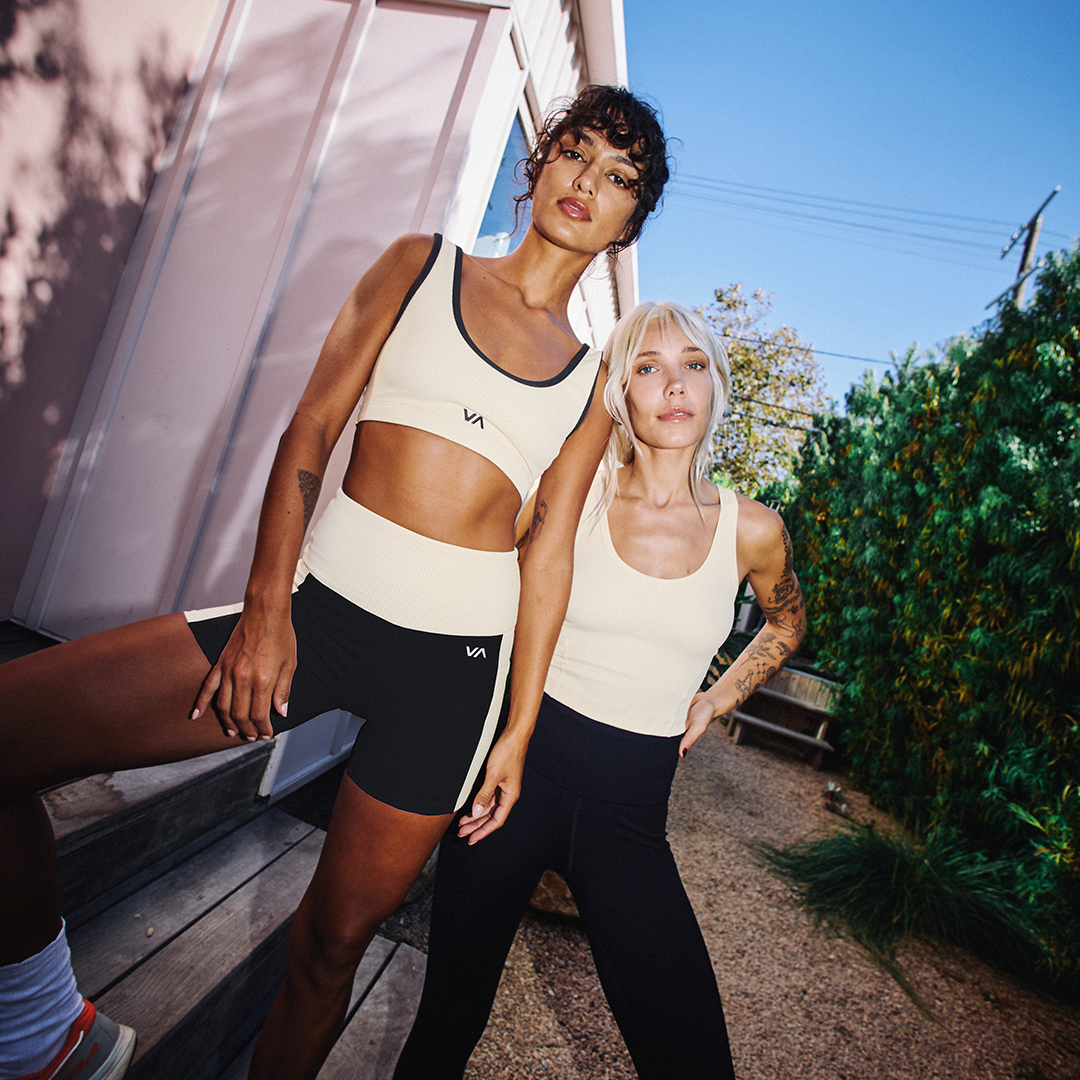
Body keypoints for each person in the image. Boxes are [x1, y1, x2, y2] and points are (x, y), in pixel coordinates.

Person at [0, 85, 670, 1080]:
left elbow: (550, 557)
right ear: (542, 164)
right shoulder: (420, 267)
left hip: (452, 677)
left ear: (628, 225)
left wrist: (518, 729)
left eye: (620, 178)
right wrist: (267, 607)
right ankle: (47, 1031)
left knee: (328, 951)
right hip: (317, 617)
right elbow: (311, 426)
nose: (588, 181)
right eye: (577, 151)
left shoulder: (592, 385)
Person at [393, 300, 806, 1080]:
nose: (674, 384)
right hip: (514, 787)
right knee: (446, 1025)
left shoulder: (752, 530)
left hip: (631, 823)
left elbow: (785, 627)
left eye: (693, 365)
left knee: (693, 1059)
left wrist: (716, 699)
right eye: (647, 366)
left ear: (716, 385)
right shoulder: (576, 496)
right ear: (619, 391)